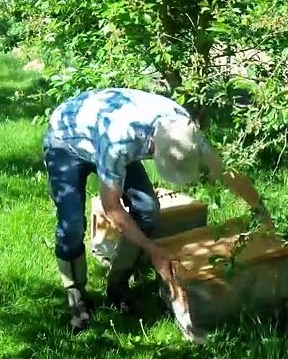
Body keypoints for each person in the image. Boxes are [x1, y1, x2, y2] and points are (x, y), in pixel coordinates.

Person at [42, 87, 274, 331]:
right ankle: (75, 291)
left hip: (103, 129)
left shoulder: (183, 130)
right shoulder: (120, 142)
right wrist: (154, 250)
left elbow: (227, 173)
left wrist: (261, 212)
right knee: (71, 225)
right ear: (153, 147)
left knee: (147, 210)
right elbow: (112, 208)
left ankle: (118, 283)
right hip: (66, 140)